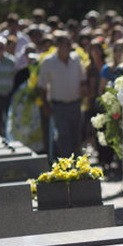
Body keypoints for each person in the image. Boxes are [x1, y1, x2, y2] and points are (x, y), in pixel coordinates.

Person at [38, 30, 87, 158]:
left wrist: (83, 95)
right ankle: (66, 164)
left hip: (75, 103)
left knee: (76, 135)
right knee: (63, 136)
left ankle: (78, 163)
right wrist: (45, 105)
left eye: (69, 44)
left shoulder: (76, 59)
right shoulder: (48, 62)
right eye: (65, 44)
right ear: (58, 45)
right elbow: (42, 86)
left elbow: (82, 79)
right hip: (58, 105)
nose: (68, 47)